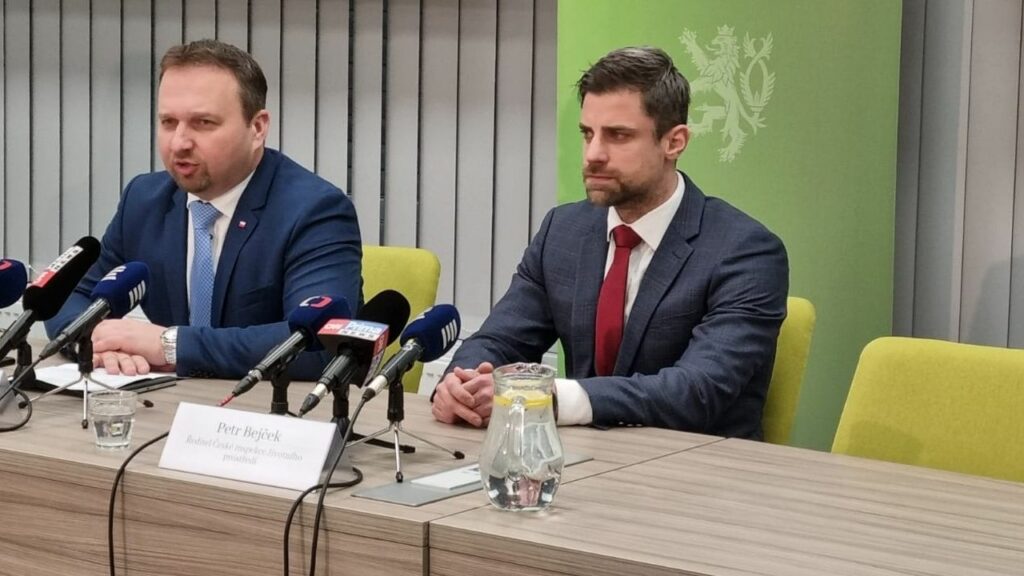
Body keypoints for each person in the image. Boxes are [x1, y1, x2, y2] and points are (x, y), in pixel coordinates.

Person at [431, 46, 788, 439]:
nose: (594, 155)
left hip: (698, 465)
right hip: (585, 457)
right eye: (588, 134)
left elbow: (697, 391)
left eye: (618, 136)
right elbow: (500, 340)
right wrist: (462, 384)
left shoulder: (745, 251)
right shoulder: (563, 231)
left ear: (674, 142)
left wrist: (549, 397)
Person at [45, 39, 362, 380]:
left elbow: (317, 345)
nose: (179, 142)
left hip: (266, 407)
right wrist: (99, 343)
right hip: (170, 400)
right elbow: (69, 298)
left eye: (203, 123)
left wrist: (170, 345)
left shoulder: (315, 211)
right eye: (168, 122)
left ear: (257, 128)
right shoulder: (144, 200)